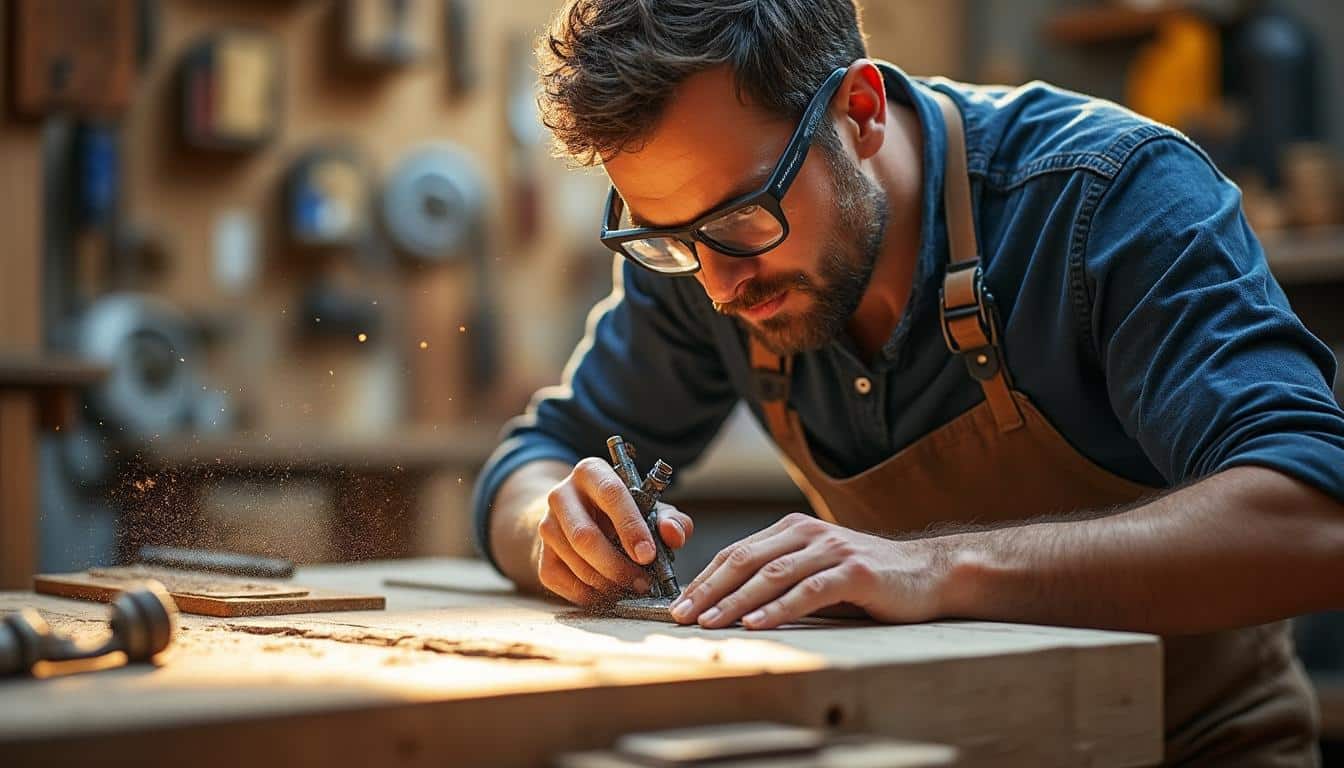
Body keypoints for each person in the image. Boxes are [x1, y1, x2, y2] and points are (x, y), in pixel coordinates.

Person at [471, 1, 1344, 763]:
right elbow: (537, 458)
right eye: (668, 238)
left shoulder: (1109, 197)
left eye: (743, 218)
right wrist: (558, 528)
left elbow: (1312, 522)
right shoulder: (704, 259)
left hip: (1174, 746)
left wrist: (941, 567)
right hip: (909, 748)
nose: (717, 285)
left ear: (859, 111)